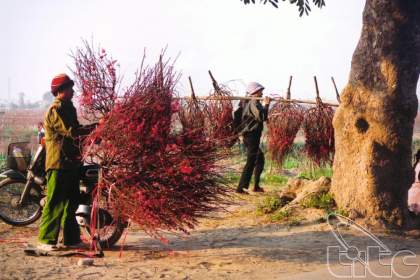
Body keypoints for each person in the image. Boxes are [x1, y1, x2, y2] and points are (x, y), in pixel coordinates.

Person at [37, 73, 93, 251]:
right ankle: (46, 241)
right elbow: (71, 132)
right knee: (55, 203)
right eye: (70, 88)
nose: (73, 91)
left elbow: (76, 133)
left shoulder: (69, 107)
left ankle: (71, 239)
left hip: (71, 164)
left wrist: (93, 132)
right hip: (58, 164)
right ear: (61, 91)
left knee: (72, 203)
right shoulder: (56, 110)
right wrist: (95, 128)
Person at [236, 82, 271, 194]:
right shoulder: (253, 102)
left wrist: (264, 106)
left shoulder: (250, 102)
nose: (262, 93)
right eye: (260, 91)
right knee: (251, 161)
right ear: (254, 92)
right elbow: (262, 117)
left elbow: (260, 116)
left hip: (250, 135)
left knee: (259, 158)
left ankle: (256, 186)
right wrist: (266, 105)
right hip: (251, 135)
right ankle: (240, 188)